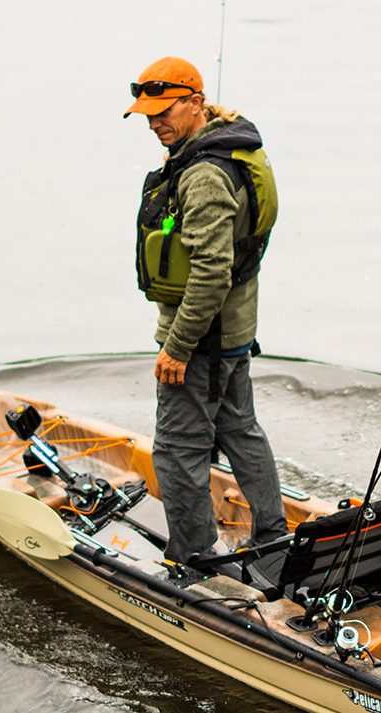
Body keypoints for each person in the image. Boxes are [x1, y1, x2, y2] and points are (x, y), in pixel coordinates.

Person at [123, 56, 288, 565]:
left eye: (164, 111)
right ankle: (272, 534)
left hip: (200, 340)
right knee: (239, 428)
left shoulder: (203, 175)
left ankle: (193, 558)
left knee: (176, 450)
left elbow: (212, 271)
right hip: (232, 334)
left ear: (195, 103)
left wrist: (177, 347)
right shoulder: (227, 147)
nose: (155, 123)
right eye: (148, 115)